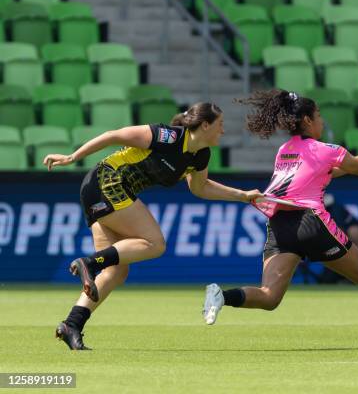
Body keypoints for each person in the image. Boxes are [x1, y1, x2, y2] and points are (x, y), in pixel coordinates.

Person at [202, 89, 358, 349]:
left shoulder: (284, 150)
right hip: (311, 223)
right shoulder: (327, 149)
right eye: (318, 115)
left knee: (269, 297)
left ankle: (221, 296)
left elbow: (323, 172)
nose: (321, 120)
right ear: (307, 120)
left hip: (279, 225)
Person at [43, 102, 263, 350]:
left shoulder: (200, 155)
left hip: (104, 191)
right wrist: (73, 157)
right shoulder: (167, 137)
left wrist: (243, 195)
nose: (223, 131)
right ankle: (90, 263)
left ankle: (71, 324)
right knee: (155, 243)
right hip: (106, 181)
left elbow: (201, 188)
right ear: (205, 125)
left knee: (115, 272)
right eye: (220, 125)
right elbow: (113, 136)